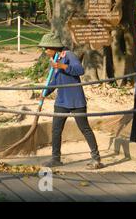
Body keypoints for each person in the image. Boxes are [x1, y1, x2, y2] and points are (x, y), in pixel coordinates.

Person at [39, 33, 103, 169]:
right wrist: (44, 93)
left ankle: (96, 159)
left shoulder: (69, 56)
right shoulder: (55, 60)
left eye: (47, 48)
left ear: (54, 47)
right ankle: (56, 158)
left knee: (84, 128)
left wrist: (62, 66)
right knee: (56, 130)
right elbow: (55, 81)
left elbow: (79, 70)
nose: (45, 51)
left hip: (75, 100)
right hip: (61, 101)